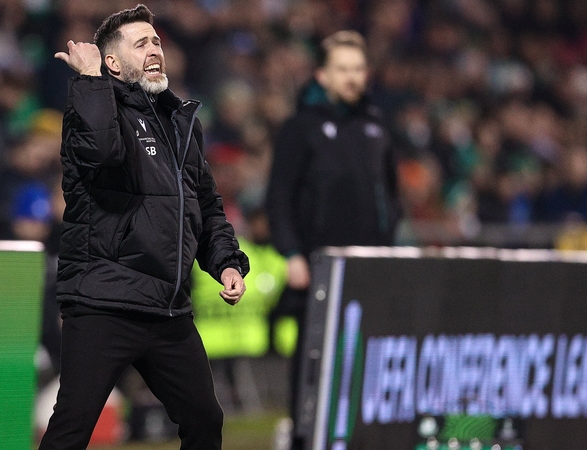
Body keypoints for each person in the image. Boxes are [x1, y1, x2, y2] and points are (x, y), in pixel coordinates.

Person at [39, 5, 249, 449]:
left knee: (205, 420)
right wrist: (91, 79)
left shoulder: (181, 122)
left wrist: (226, 262)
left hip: (167, 307)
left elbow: (206, 206)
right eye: (141, 44)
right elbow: (102, 152)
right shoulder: (91, 106)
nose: (155, 49)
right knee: (72, 427)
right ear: (112, 63)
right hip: (104, 301)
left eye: (156, 41)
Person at [265, 30, 401, 449]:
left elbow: (391, 195)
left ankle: (356, 436)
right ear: (322, 75)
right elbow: (279, 196)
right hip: (318, 264)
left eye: (358, 69)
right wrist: (292, 253)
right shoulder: (300, 128)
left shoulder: (376, 125)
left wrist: (389, 241)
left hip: (370, 264)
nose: (352, 77)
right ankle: (304, 435)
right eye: (343, 69)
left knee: (364, 355)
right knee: (313, 356)